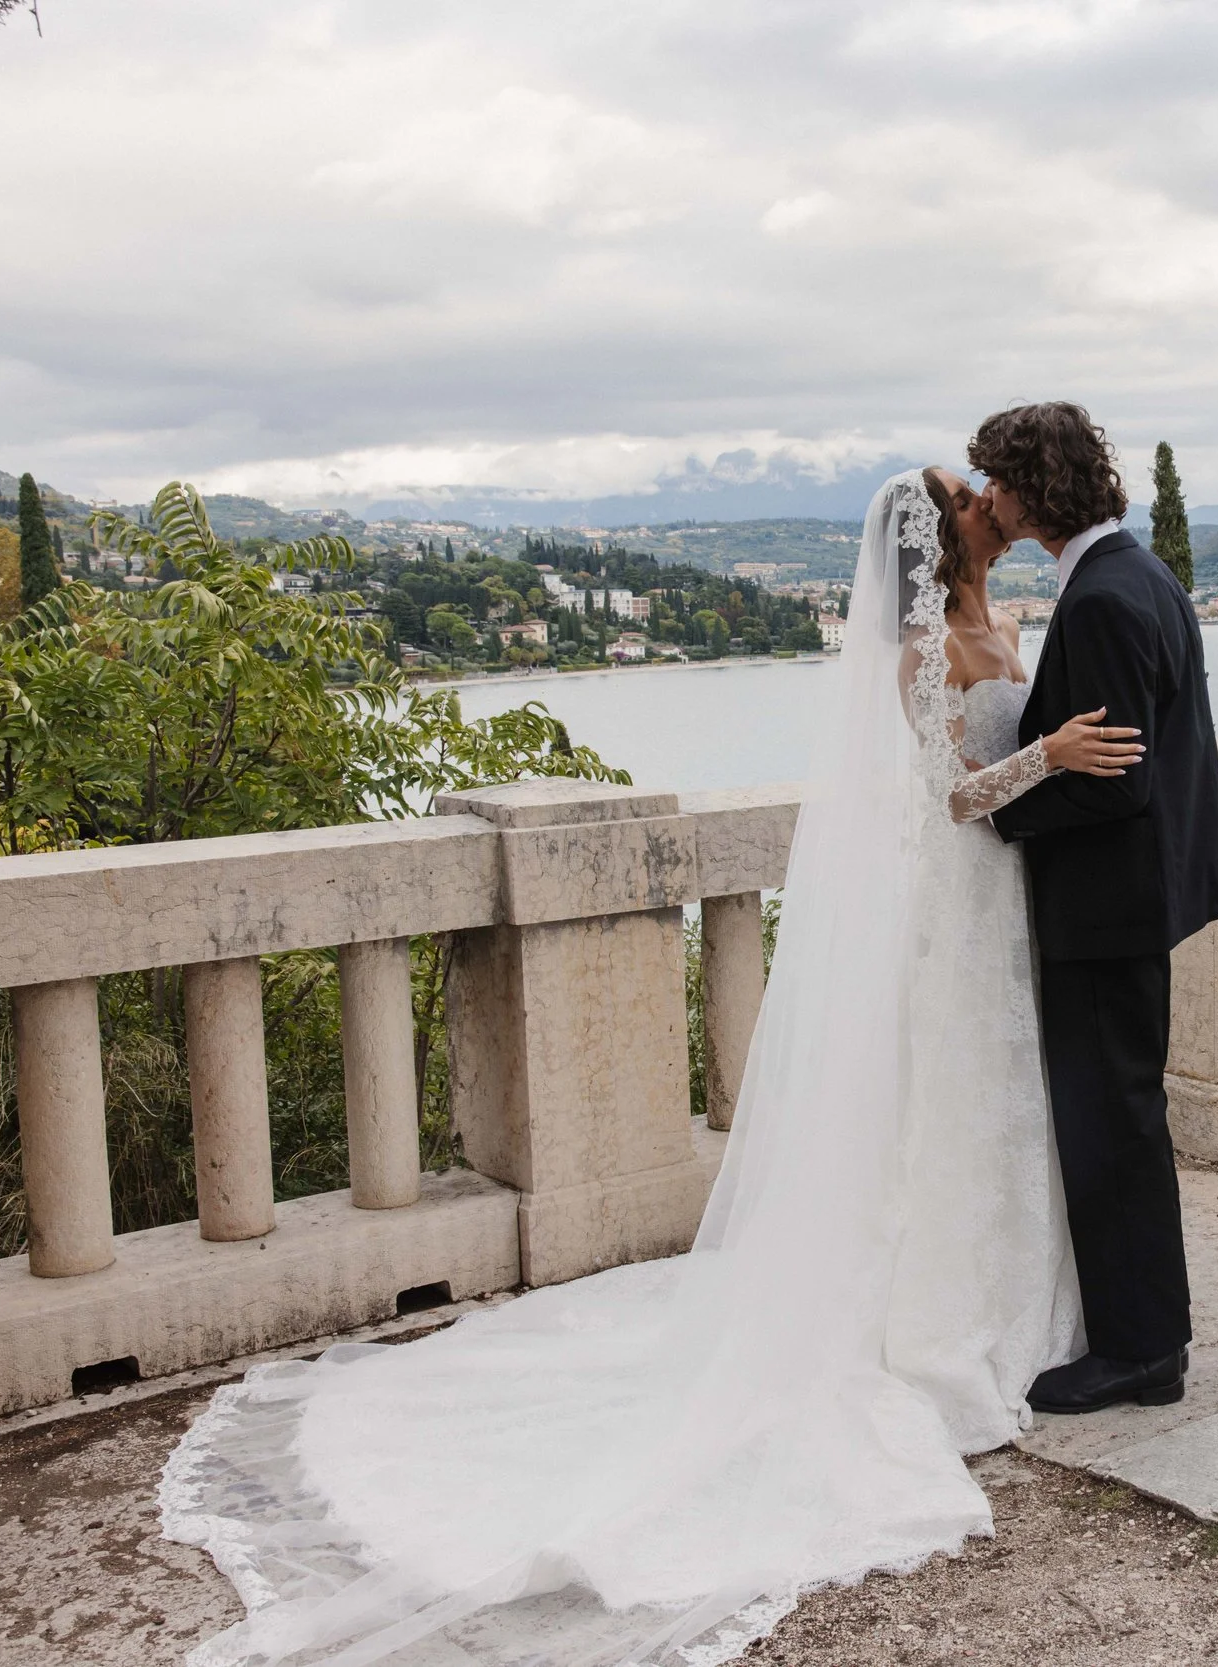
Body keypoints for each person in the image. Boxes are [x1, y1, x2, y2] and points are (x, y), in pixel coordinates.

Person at [161, 468, 1138, 1667]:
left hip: (1009, 906)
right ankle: (943, 1320)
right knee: (947, 1101)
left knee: (999, 1104)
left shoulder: (1009, 620)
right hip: (958, 896)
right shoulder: (921, 650)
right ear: (948, 535)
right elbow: (949, 797)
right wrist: (1051, 752)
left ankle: (1029, 1303)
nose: (991, 496)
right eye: (969, 491)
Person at [968, 401, 1218, 1416]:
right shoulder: (1140, 573)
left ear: (1033, 488)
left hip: (1105, 903)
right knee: (1120, 1114)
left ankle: (1138, 1348)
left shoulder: (1100, 600)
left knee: (1112, 1121)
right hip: (1131, 896)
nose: (989, 497)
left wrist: (1000, 813)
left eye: (997, 478)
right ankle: (1140, 1328)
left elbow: (1114, 781)